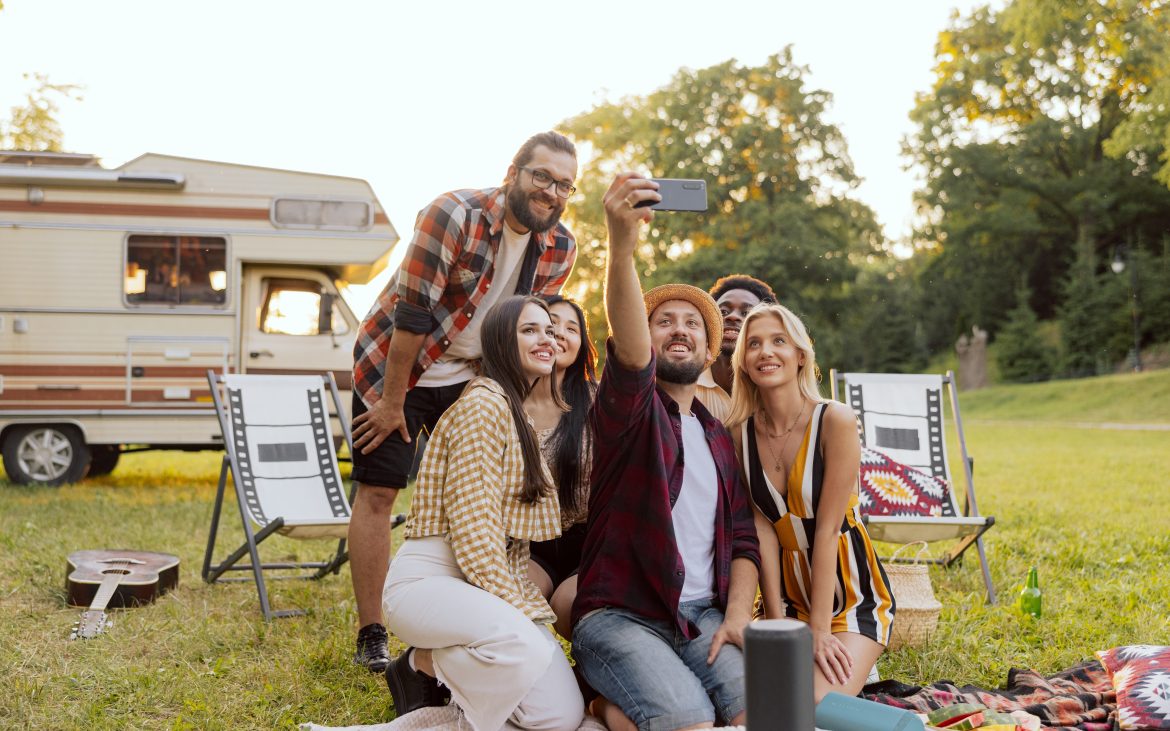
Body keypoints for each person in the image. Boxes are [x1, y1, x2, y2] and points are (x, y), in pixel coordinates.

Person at [348, 132, 579, 671]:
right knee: (380, 491)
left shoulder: (561, 246)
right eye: (541, 176)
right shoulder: (453, 214)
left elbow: (528, 327)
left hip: (474, 376)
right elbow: (413, 314)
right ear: (513, 172)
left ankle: (463, 610)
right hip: (397, 365)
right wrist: (391, 402)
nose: (551, 191)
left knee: (481, 494)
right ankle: (371, 631)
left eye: (565, 184)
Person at [571, 174, 761, 731]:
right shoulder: (630, 411)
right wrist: (621, 241)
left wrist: (735, 619)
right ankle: (608, 703)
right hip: (621, 616)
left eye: (692, 326)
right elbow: (629, 350)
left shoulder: (718, 431)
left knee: (767, 715)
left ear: (709, 351)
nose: (679, 331)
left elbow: (744, 537)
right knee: (693, 722)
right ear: (647, 339)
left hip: (702, 617)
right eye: (664, 322)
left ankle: (613, 710)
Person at [381, 295, 585, 731]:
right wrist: (525, 611)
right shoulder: (483, 405)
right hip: (432, 580)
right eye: (529, 330)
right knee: (523, 646)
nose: (547, 338)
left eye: (549, 330)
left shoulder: (517, 416)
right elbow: (475, 536)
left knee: (560, 716)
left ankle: (454, 717)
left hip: (481, 586)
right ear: (498, 342)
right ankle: (421, 663)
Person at [724, 302, 896, 702]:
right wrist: (775, 624)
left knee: (811, 706)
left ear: (801, 356)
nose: (766, 351)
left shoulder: (835, 420)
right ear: (743, 362)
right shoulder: (739, 434)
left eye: (778, 341)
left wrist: (819, 631)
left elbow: (829, 529)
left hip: (849, 595)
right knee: (747, 698)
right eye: (754, 344)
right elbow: (763, 529)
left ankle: (856, 648)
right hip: (785, 600)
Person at [525, 295, 597, 641]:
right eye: (552, 324)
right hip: (528, 541)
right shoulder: (503, 402)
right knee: (517, 598)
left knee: (572, 607)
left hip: (589, 540)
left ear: (581, 344)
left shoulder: (598, 401)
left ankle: (586, 687)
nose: (562, 334)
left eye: (573, 328)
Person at [704, 274, 777, 397]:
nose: (732, 316)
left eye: (747, 313)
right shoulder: (683, 384)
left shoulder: (775, 393)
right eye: (723, 311)